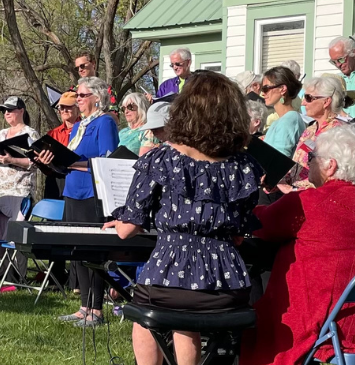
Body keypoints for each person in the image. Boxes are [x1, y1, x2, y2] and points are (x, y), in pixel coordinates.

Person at [104, 70, 261, 365]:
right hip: (228, 287)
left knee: (146, 315)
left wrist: (122, 221)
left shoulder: (162, 158)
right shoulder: (245, 166)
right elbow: (239, 233)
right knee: (186, 314)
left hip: (170, 279)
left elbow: (128, 230)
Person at [241, 125, 355, 365]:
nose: (309, 163)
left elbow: (258, 222)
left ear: (331, 166)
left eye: (312, 157)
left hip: (328, 328)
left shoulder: (309, 202)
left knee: (253, 318)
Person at [35, 76, 119, 328]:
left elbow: (107, 159)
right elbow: (69, 160)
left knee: (92, 250)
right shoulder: (80, 126)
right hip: (72, 190)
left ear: (96, 97)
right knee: (77, 251)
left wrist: (71, 163)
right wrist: (52, 160)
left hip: (92, 193)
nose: (77, 100)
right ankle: (84, 306)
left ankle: (97, 310)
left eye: (82, 95)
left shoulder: (105, 122)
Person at [0, 96, 39, 285]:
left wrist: (12, 160)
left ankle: (17, 277)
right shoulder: (0, 134)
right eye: (4, 110)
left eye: (11, 109)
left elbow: (35, 163)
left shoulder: (31, 134)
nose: (7, 113)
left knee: (16, 237)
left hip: (19, 192)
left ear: (21, 110)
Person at [279, 76, 347, 193]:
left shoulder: (339, 132)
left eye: (308, 98)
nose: (303, 103)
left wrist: (295, 190)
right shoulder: (309, 130)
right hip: (296, 197)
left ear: (326, 101)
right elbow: (297, 166)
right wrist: (278, 181)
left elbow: (336, 176)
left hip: (318, 199)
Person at [260, 66, 305, 157]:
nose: (262, 93)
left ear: (282, 89)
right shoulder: (282, 120)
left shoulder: (289, 120)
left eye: (266, 88)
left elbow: (279, 160)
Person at [43, 91, 81, 200]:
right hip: (55, 180)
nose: (64, 110)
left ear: (78, 108)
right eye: (61, 107)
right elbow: (46, 167)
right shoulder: (53, 133)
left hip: (77, 177)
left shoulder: (85, 129)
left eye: (68, 107)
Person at [328, 36, 355, 117]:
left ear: (354, 53)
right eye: (333, 62)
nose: (338, 65)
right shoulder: (336, 80)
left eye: (341, 59)